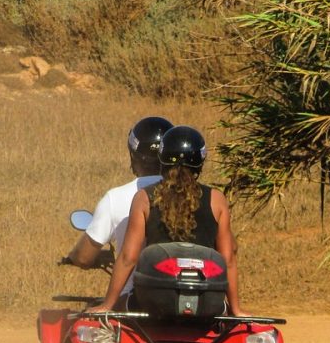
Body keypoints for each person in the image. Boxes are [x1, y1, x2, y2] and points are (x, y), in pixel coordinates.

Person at [90, 126, 246, 316]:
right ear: (200, 162)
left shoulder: (144, 198)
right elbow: (228, 259)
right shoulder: (216, 200)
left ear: (162, 158)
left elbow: (128, 258)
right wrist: (236, 309)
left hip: (151, 302)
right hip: (206, 305)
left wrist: (108, 304)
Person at [66, 116, 174, 301]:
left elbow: (84, 257)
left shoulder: (116, 198)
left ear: (134, 155)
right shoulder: (197, 197)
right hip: (197, 302)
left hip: (135, 301)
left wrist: (74, 257)